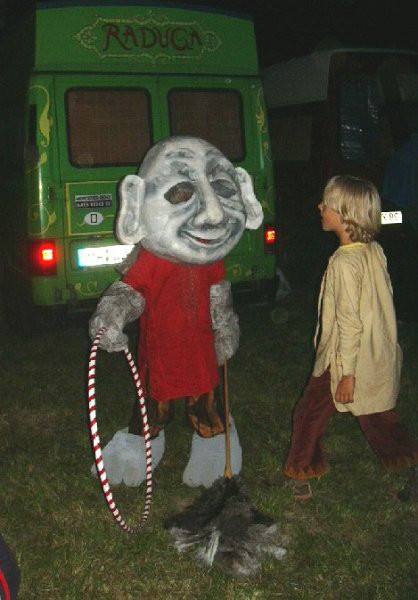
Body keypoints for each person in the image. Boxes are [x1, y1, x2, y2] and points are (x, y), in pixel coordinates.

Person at [283, 175, 418, 501]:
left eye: (326, 204)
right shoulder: (374, 250)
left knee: (309, 413)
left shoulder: (344, 263)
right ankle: (407, 459)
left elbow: (349, 323)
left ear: (345, 215)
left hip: (343, 358)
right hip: (373, 353)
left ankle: (301, 469)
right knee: (376, 414)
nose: (320, 207)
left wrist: (347, 374)